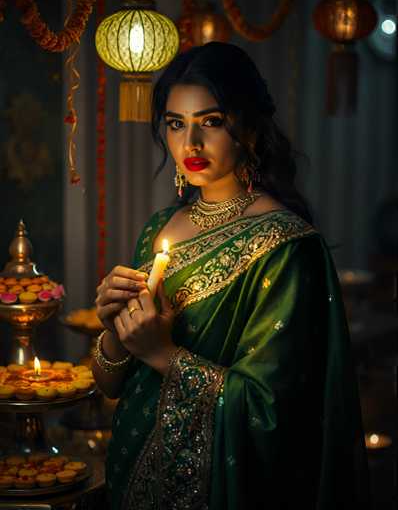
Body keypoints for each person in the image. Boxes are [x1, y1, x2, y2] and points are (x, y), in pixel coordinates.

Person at [92, 42, 370, 509]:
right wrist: (114, 333)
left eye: (212, 122)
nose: (190, 144)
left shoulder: (286, 245)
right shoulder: (158, 228)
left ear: (252, 130)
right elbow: (111, 384)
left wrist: (163, 353)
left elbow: (274, 412)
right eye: (176, 124)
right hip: (130, 473)